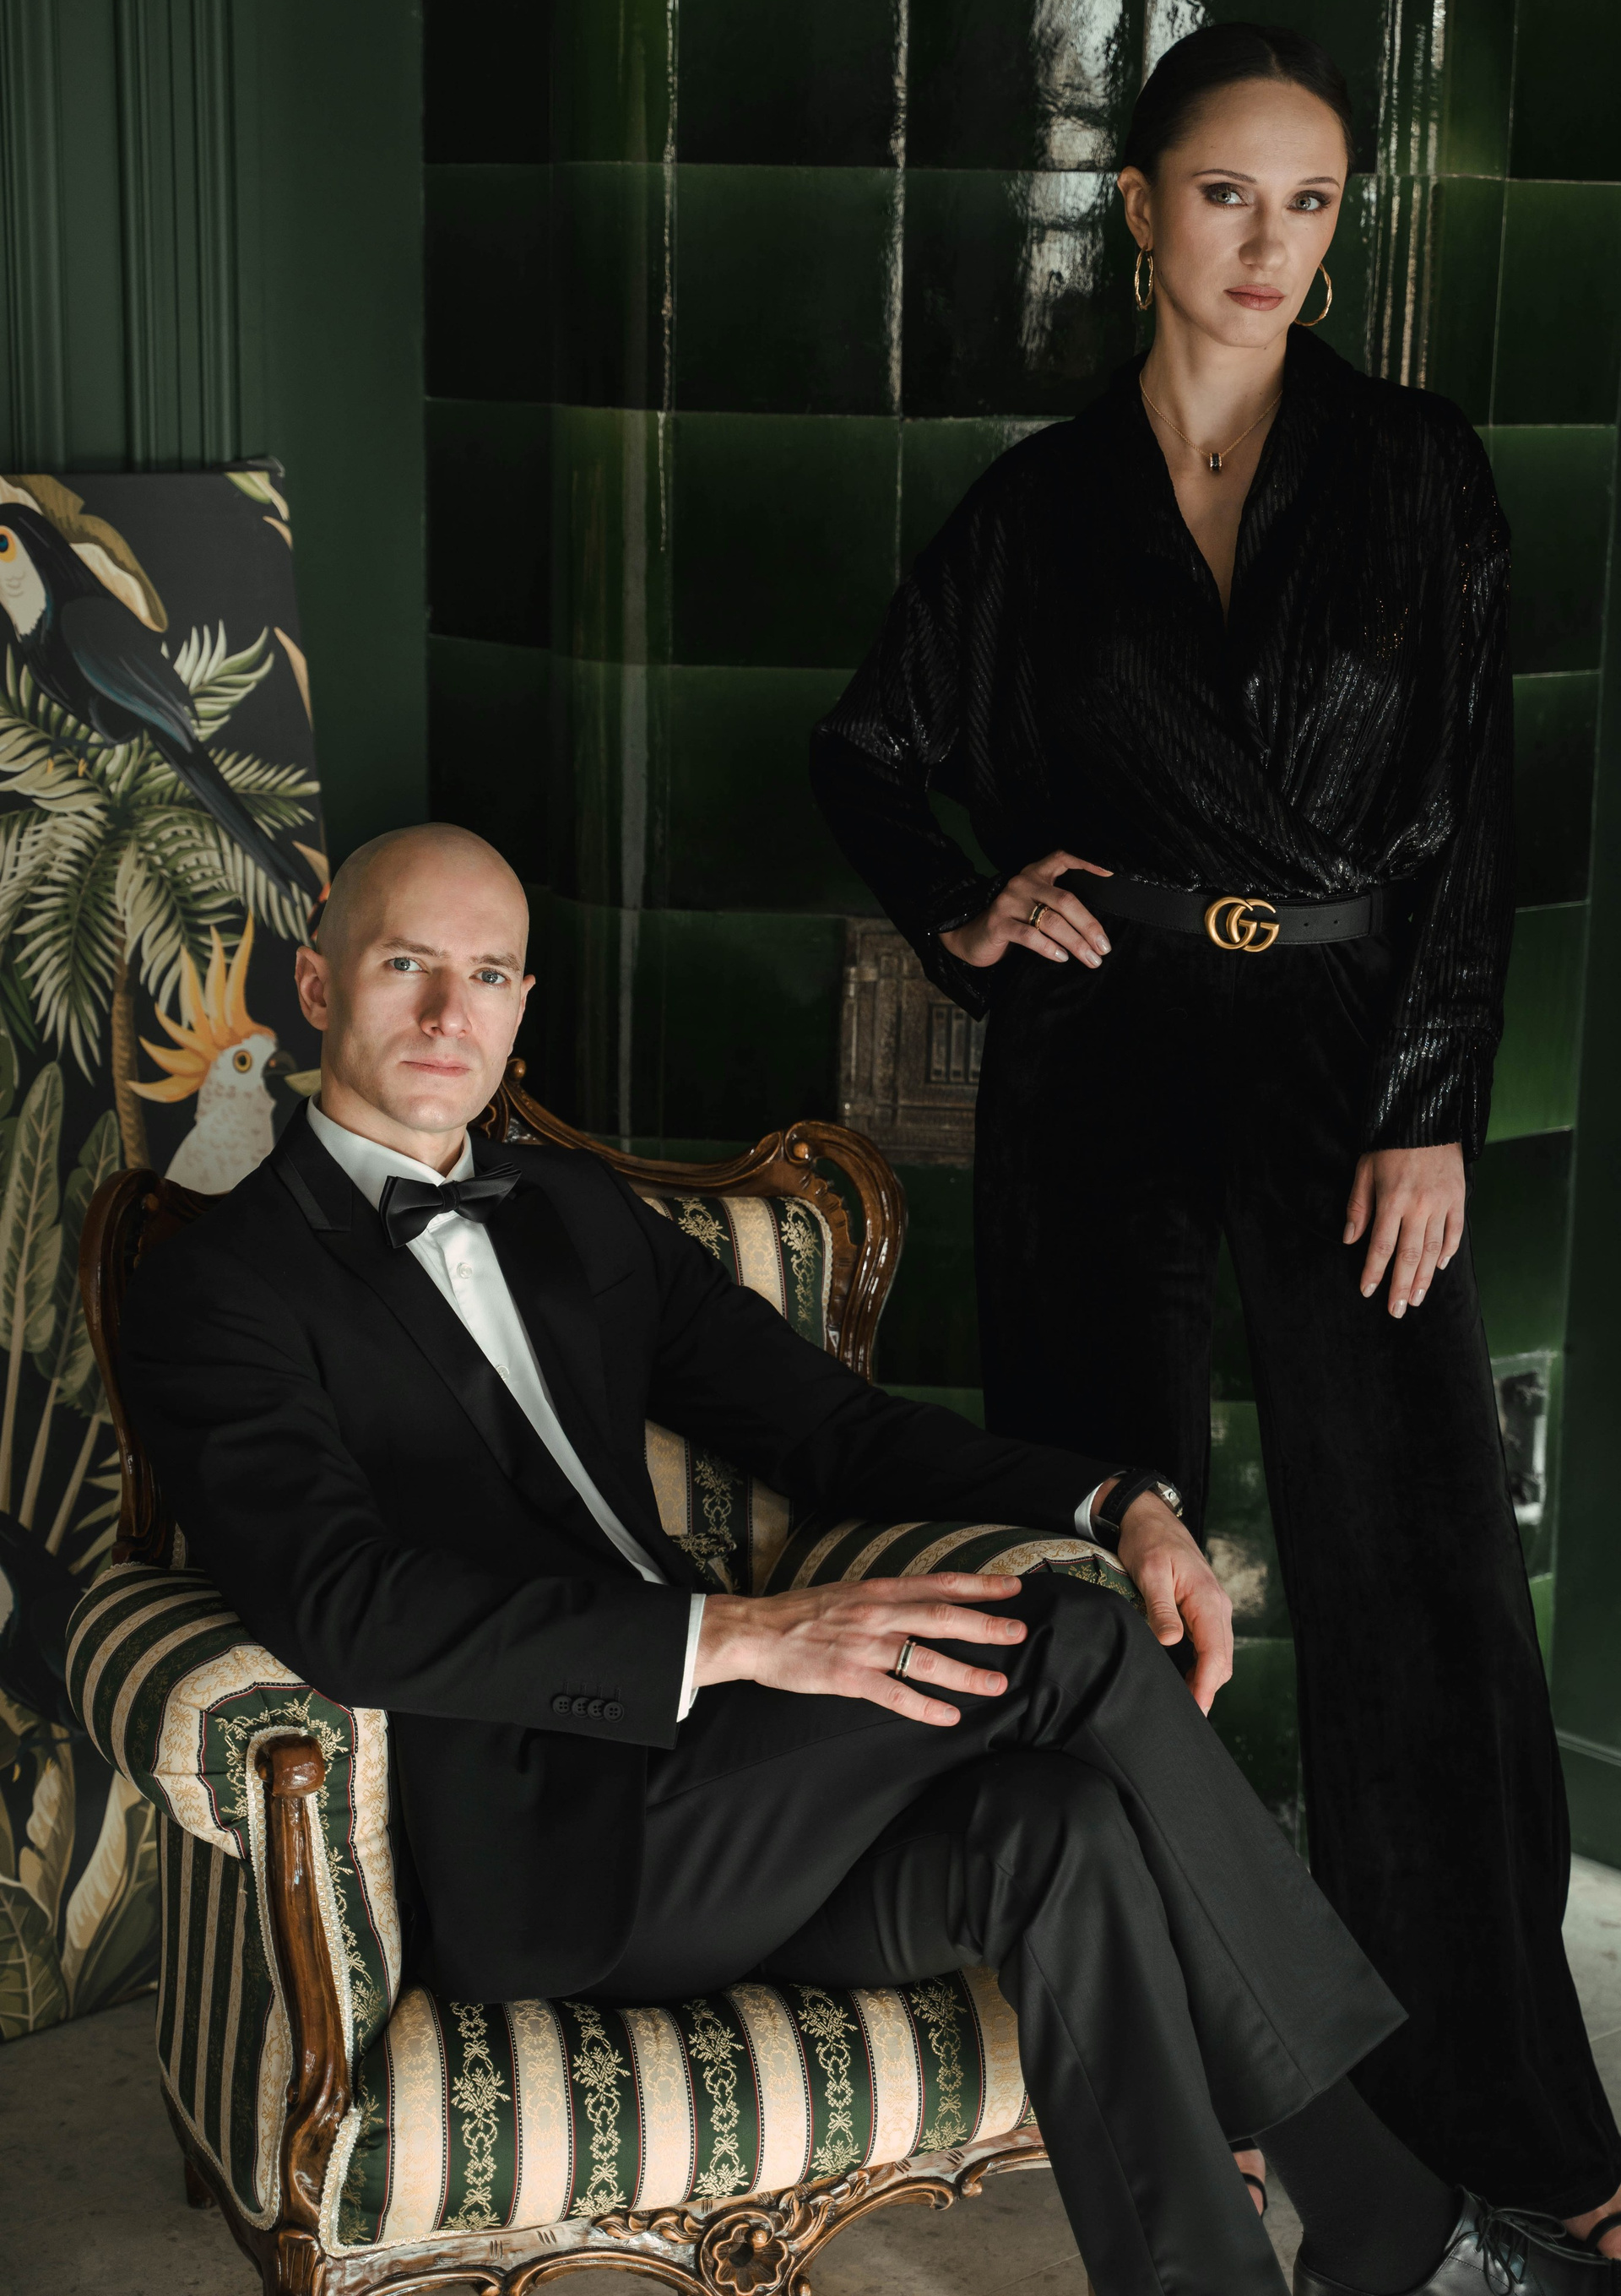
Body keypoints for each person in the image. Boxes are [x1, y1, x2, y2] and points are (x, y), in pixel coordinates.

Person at [119, 822, 1617, 2296]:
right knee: (1075, 1643)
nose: (453, 1012)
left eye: (491, 975)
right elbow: (343, 1607)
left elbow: (831, 1433)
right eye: (407, 965)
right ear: (317, 986)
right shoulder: (222, 1282)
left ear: (523, 1005)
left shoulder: (571, 1215)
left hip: (735, 1803)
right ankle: (1395, 2225)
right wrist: (738, 1637)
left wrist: (1115, 1501)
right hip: (546, 1848)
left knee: (1057, 1832)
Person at [810, 19, 1621, 2247]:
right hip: (1106, 1043)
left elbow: (1471, 820)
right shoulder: (1035, 507)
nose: (1273, 244)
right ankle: (1190, 2074)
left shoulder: (1419, 470)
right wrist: (966, 908)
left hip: (1352, 1044)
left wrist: (1430, 1110)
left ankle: (1514, 2130)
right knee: (1101, 1559)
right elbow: (868, 751)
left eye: (1314, 203)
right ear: (1143, 209)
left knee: (1426, 1585)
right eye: (1230, 194)